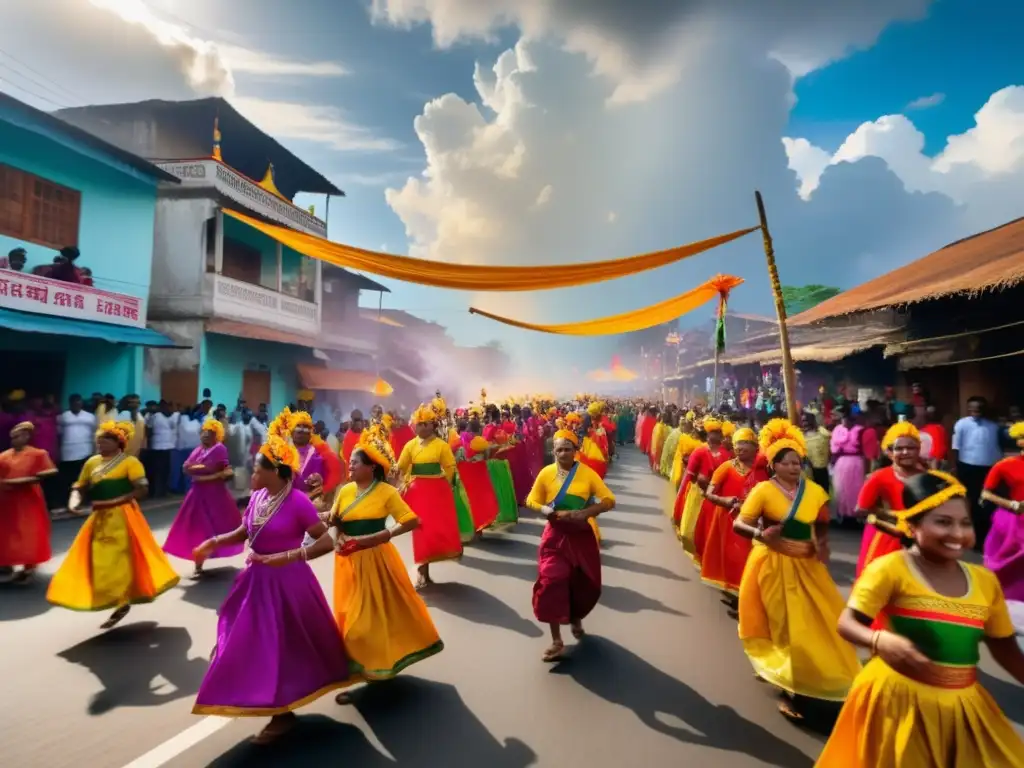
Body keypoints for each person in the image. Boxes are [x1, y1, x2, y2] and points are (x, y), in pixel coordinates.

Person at [815, 471, 1024, 767]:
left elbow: (1005, 647)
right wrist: (880, 639)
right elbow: (847, 622)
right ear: (912, 526)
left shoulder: (985, 581)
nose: (957, 533)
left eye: (964, 523)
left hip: (962, 704)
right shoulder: (890, 569)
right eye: (943, 522)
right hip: (897, 703)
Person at [191, 434, 350, 743]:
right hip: (256, 581)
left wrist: (286, 557)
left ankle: (282, 713)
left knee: (279, 647)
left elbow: (325, 541)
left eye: (256, 470)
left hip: (288, 584)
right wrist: (214, 541)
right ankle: (268, 702)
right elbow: (243, 531)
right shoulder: (258, 497)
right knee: (249, 644)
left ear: (276, 471)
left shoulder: (298, 502)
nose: (251, 475)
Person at [733, 419, 861, 721]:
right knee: (785, 629)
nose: (794, 467)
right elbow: (740, 524)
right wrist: (761, 536)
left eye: (797, 462)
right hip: (773, 566)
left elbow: (822, 522)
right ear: (774, 465)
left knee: (824, 624)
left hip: (808, 566)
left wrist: (822, 545)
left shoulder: (814, 491)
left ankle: (823, 678)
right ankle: (789, 690)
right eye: (787, 463)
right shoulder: (763, 491)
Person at [330, 425, 443, 704]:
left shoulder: (386, 493)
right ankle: (368, 672)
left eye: (355, 463)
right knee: (349, 617)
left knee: (364, 622)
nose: (350, 467)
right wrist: (335, 537)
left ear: (371, 467)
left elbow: (412, 520)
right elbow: (335, 520)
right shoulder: (344, 491)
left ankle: (373, 674)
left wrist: (382, 535)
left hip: (376, 560)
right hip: (348, 560)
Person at [46, 421, 179, 629]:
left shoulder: (130, 463)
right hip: (98, 516)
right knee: (96, 559)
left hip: (122, 515)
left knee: (120, 557)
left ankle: (122, 600)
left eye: (106, 440)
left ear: (119, 443)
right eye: (99, 441)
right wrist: (74, 502)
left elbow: (142, 488)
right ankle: (109, 597)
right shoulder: (92, 463)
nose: (100, 444)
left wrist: (122, 498)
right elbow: (80, 486)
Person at [526, 429, 615, 662]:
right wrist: (547, 511)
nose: (563, 453)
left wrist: (585, 512)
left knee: (585, 583)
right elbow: (531, 500)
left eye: (568, 449)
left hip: (581, 537)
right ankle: (556, 640)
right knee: (551, 580)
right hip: (554, 536)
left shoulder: (587, 474)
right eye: (559, 449)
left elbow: (609, 500)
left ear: (576, 451)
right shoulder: (546, 474)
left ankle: (575, 617)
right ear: (552, 451)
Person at [163, 418, 243, 579]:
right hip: (197, 494)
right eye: (204, 433)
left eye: (210, 433)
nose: (206, 436)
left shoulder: (219, 448)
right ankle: (198, 561)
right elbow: (186, 467)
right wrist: (201, 469)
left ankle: (206, 555)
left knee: (218, 526)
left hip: (215, 495)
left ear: (217, 436)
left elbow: (217, 468)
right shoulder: (198, 450)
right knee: (194, 527)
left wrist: (201, 471)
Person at [396, 404, 463, 588]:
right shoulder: (410, 445)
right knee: (420, 530)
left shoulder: (441, 446)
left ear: (431, 426)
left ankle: (428, 564)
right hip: (418, 493)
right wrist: (394, 473)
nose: (420, 427)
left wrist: (448, 487)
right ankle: (422, 568)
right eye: (418, 423)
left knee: (435, 529)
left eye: (424, 424)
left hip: (437, 492)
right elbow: (401, 465)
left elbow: (450, 468)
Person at [854, 421, 927, 579]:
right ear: (889, 452)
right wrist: (894, 516)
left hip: (921, 539)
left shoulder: (929, 477)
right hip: (886, 537)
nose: (905, 452)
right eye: (899, 448)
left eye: (911, 447)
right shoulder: (879, 477)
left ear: (919, 449)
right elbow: (861, 509)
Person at [700, 427, 765, 597]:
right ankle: (737, 592)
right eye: (737, 444)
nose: (740, 447)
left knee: (750, 557)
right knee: (732, 556)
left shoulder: (764, 470)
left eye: (745, 443)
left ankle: (746, 591)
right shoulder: (726, 467)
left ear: (755, 447)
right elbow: (709, 493)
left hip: (754, 521)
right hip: (727, 520)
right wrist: (726, 501)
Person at [0, 422, 57, 583]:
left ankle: (29, 566)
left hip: (28, 499)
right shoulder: (4, 455)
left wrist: (25, 480)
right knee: (6, 532)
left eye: (17, 436)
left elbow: (50, 471)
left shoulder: (38, 454)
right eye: (12, 437)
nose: (14, 440)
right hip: (6, 499)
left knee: (29, 531)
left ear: (26, 436)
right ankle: (6, 563)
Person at [980, 421, 1024, 603]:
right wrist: (1011, 504)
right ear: (1020, 441)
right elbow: (985, 494)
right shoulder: (1004, 465)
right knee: (1010, 565)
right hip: (1015, 521)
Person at [952, 396, 1002, 549]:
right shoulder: (962, 424)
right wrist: (956, 467)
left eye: (979, 408)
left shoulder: (993, 426)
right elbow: (956, 446)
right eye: (972, 408)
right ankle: (971, 536)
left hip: (989, 468)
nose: (976, 411)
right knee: (970, 502)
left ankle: (986, 536)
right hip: (968, 467)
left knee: (988, 502)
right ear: (968, 408)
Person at [678, 417, 730, 561]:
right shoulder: (699, 451)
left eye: (718, 432)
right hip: (698, 494)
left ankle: (708, 556)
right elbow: (689, 475)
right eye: (713, 432)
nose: (716, 435)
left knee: (710, 529)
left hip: (716, 496)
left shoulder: (727, 454)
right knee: (690, 529)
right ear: (707, 434)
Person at [830, 405, 876, 522]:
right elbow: (834, 449)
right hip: (841, 463)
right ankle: (843, 514)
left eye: (847, 419)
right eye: (843, 419)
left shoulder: (860, 431)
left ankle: (854, 515)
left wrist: (867, 467)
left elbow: (866, 451)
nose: (844, 422)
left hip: (856, 462)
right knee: (841, 489)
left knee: (854, 489)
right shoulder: (837, 430)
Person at [56, 394, 96, 506]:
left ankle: (84, 500)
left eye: (79, 402)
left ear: (81, 403)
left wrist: (94, 451)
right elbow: (59, 435)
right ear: (70, 403)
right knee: (68, 479)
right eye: (74, 402)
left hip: (85, 451)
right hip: (67, 453)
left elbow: (94, 434)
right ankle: (68, 501)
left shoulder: (90, 417)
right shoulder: (63, 417)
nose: (77, 404)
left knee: (84, 478)